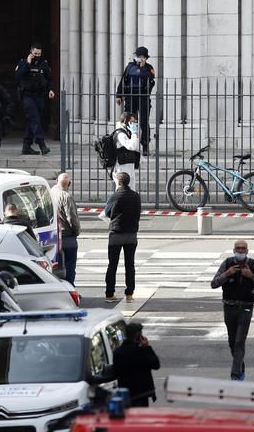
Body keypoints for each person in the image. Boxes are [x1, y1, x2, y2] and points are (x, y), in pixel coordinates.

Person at [211, 240, 254, 381]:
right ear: (233, 250)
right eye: (238, 248)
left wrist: (252, 277)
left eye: (243, 248)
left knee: (239, 341)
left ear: (247, 251)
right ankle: (240, 366)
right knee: (232, 342)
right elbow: (213, 284)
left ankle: (235, 374)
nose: (240, 251)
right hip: (229, 307)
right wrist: (227, 274)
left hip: (246, 307)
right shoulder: (227, 263)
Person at [102, 172, 140, 304]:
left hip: (116, 234)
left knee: (112, 264)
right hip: (131, 234)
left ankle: (110, 293)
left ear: (118, 182)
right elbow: (138, 212)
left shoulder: (115, 196)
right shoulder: (136, 196)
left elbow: (107, 212)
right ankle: (129, 294)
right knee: (130, 265)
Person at [15, 42, 55, 156]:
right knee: (34, 118)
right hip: (27, 96)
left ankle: (26, 146)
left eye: (39, 53)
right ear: (31, 52)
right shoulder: (23, 62)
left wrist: (51, 90)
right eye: (35, 53)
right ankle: (41, 144)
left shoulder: (44, 64)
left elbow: (49, 79)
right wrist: (27, 63)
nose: (37, 55)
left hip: (39, 96)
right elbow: (18, 75)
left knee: (33, 120)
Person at [115, 47, 156, 155]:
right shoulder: (130, 67)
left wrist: (142, 68)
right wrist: (119, 95)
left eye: (141, 56)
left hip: (143, 96)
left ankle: (145, 145)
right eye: (137, 56)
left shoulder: (149, 68)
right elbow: (123, 80)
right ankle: (127, 143)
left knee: (143, 121)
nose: (138, 58)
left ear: (145, 58)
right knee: (128, 119)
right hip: (131, 96)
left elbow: (151, 77)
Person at [111, 322, 161, 407]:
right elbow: (156, 364)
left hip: (126, 394)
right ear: (138, 335)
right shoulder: (140, 351)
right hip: (141, 395)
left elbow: (116, 372)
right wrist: (147, 347)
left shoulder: (118, 352)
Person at [51, 173, 81, 285]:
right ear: (69, 184)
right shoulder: (66, 196)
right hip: (67, 236)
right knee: (69, 265)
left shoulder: (49, 193)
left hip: (53, 235)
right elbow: (72, 218)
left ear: (56, 181)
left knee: (55, 266)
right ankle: (69, 288)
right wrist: (76, 231)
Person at [113, 112, 141, 191]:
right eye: (132, 122)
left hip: (128, 164)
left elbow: (136, 146)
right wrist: (134, 133)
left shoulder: (126, 131)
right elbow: (130, 146)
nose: (134, 124)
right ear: (126, 121)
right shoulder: (121, 134)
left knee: (131, 190)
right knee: (121, 190)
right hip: (122, 167)